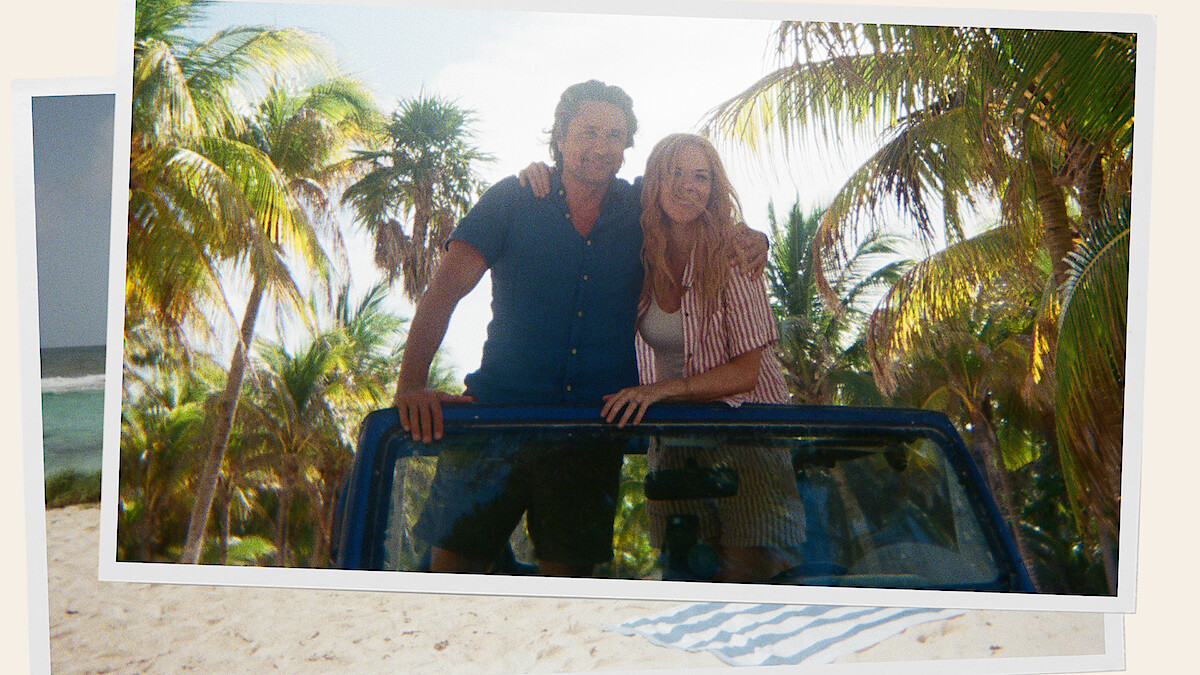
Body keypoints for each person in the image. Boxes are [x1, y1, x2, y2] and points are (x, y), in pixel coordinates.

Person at [393, 81, 766, 577]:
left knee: (564, 592)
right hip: (497, 421)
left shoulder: (642, 209)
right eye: (587, 132)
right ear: (560, 137)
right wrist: (411, 383)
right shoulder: (513, 198)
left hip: (591, 434)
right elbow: (444, 291)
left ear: (627, 146)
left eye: (614, 135)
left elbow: (700, 211)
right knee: (450, 577)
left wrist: (751, 236)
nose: (600, 145)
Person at [598, 133, 806, 582]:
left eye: (701, 176)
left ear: (715, 187)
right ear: (653, 180)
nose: (688, 187)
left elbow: (747, 374)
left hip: (749, 436)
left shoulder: (734, 251)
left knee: (745, 583)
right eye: (675, 173)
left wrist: (658, 392)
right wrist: (531, 176)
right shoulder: (637, 255)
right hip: (676, 442)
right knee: (684, 579)